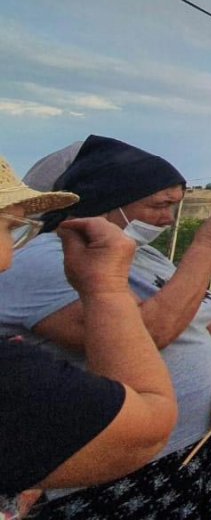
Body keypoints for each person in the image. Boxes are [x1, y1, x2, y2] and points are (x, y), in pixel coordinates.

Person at [0, 137, 211, 519]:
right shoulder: (47, 259)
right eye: (160, 205)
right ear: (109, 199)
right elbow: (145, 336)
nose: (169, 218)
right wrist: (209, 245)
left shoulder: (139, 252)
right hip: (114, 472)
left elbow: (205, 306)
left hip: (180, 451)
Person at [1, 156, 176, 519]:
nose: (6, 258)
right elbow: (146, 426)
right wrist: (106, 289)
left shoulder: (148, 254)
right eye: (7, 228)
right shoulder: (51, 261)